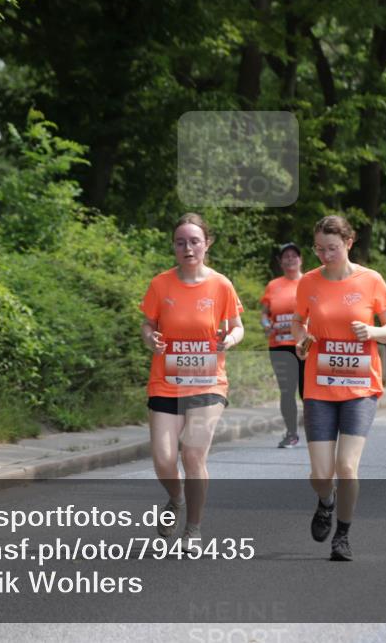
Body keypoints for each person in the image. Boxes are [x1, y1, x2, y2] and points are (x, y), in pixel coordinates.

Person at [291, 215, 386, 561]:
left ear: (349, 243)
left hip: (360, 386)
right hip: (319, 387)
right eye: (319, 249)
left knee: (347, 467)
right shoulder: (308, 282)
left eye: (332, 248)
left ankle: (343, 535)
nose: (325, 255)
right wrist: (300, 340)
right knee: (321, 474)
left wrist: (373, 333)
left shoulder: (371, 280)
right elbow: (298, 321)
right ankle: (326, 501)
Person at [140, 213, 244, 548]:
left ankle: (194, 528)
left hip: (207, 383)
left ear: (207, 244)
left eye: (194, 241)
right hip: (166, 382)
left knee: (193, 454)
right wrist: (150, 339)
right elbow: (147, 324)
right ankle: (177, 498)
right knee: (163, 458)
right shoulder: (160, 284)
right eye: (181, 242)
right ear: (174, 246)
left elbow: (238, 326)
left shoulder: (221, 285)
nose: (188, 248)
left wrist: (229, 340)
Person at [261, 243, 306, 448]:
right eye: (285, 256)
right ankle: (291, 433)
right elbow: (264, 314)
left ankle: (317, 431)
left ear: (300, 260)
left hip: (304, 344)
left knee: (308, 391)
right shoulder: (273, 285)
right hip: (279, 345)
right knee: (287, 391)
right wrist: (266, 326)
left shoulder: (309, 282)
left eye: (294, 256)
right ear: (280, 261)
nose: (290, 259)